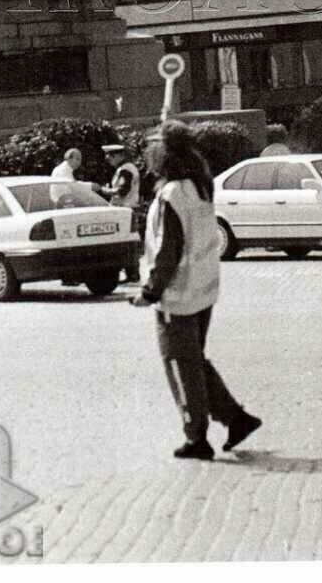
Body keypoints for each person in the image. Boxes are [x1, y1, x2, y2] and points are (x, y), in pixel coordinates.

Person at [131, 121, 261, 460]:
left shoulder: (171, 195)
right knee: (193, 362)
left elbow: (166, 250)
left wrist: (149, 291)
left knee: (180, 365)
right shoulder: (200, 186)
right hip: (204, 289)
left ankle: (196, 437)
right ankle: (235, 418)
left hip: (178, 296)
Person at [99, 144, 142, 282]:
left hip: (125, 209)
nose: (108, 159)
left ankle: (132, 273)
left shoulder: (125, 170)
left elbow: (122, 190)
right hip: (127, 208)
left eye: (111, 155)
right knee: (127, 240)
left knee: (125, 241)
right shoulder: (126, 169)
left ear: (120, 155)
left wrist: (104, 190)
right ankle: (132, 273)